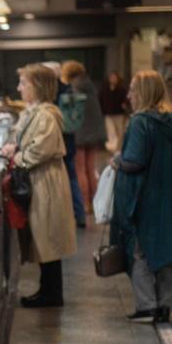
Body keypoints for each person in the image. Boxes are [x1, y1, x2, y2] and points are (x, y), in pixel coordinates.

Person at [110, 71, 172, 324]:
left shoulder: (141, 122)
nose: (129, 95)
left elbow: (134, 161)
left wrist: (117, 160)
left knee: (139, 251)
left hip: (146, 196)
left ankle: (146, 306)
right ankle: (164, 305)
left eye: (132, 89)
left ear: (143, 92)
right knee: (168, 250)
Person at [2, 64, 77, 308]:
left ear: (38, 87)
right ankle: (47, 290)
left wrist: (17, 157)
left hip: (47, 182)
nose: (19, 88)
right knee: (43, 238)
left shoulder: (46, 115)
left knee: (49, 239)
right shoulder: (33, 112)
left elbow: (41, 149)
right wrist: (15, 147)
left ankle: (52, 294)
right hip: (39, 180)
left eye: (24, 84)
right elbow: (24, 140)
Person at [47, 61, 87, 228]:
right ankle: (80, 215)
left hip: (58, 143)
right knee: (72, 178)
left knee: (60, 181)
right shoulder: (68, 89)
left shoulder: (52, 93)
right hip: (69, 141)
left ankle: (62, 218)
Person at [61, 61, 105, 213]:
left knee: (79, 170)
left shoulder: (73, 88)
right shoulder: (90, 86)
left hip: (79, 133)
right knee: (91, 169)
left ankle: (84, 204)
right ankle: (95, 203)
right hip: (94, 132)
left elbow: (71, 114)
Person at [100, 72, 130, 152]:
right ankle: (113, 147)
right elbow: (101, 98)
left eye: (114, 77)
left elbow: (126, 99)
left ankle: (119, 147)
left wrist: (124, 105)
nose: (112, 79)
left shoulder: (122, 89)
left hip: (119, 112)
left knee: (119, 131)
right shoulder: (105, 88)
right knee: (111, 131)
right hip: (108, 112)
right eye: (111, 77)